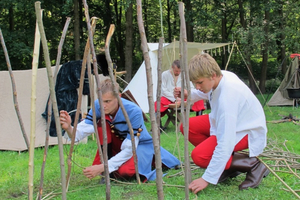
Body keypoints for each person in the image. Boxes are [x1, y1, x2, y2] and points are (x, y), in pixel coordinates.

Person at [174, 53, 269, 193]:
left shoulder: (228, 98)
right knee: (187, 127)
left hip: (246, 130)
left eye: (199, 82)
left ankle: (253, 165)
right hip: (227, 121)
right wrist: (190, 94)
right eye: (195, 83)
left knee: (199, 156)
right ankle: (226, 165)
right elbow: (208, 92)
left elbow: (226, 141)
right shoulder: (221, 76)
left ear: (212, 75)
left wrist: (207, 178)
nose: (197, 86)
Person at [60, 79, 180, 182]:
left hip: (138, 145)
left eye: (107, 101)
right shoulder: (98, 105)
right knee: (103, 124)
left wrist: (103, 167)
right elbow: (81, 132)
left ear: (119, 96)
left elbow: (129, 148)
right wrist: (69, 128)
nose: (103, 105)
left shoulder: (134, 111)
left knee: (125, 172)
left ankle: (112, 168)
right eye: (101, 101)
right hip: (115, 144)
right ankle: (107, 168)